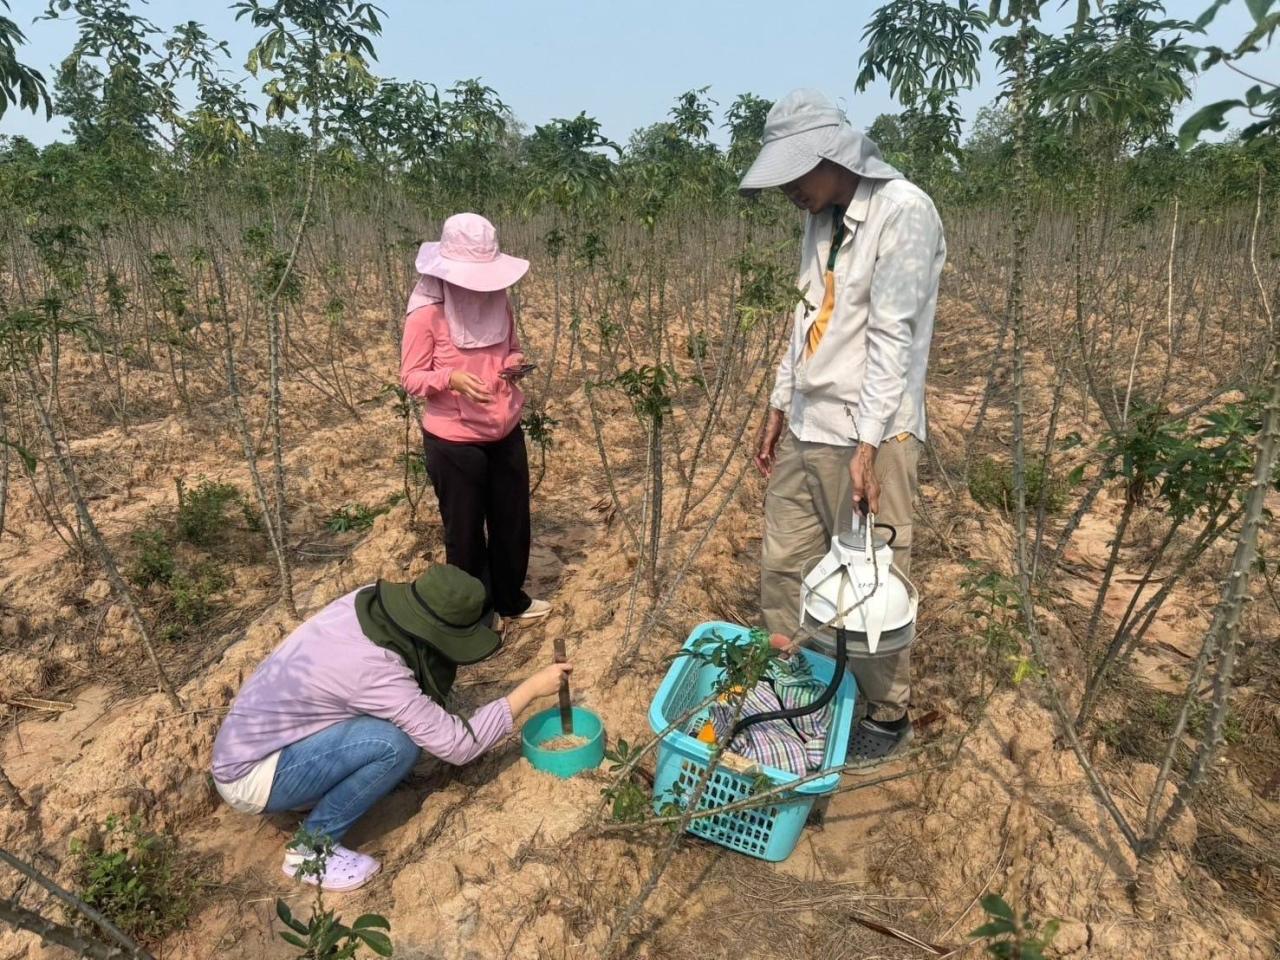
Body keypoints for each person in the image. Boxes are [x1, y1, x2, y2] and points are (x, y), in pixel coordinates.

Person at [740, 89, 946, 767]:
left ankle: (884, 716)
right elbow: (804, 319)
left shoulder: (903, 213)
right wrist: (777, 404)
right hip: (808, 424)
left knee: (868, 583)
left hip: (873, 435)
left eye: (795, 175)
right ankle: (796, 683)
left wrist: (866, 444)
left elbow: (893, 339)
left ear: (832, 155)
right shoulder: (821, 218)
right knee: (786, 564)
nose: (789, 191)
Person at [210, 565, 572, 891]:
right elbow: (459, 746)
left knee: (393, 729)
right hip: (251, 776)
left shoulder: (368, 605)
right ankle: (310, 851)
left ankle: (309, 792)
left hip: (265, 744)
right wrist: (531, 689)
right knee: (394, 744)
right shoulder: (376, 671)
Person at [401, 212, 550, 623]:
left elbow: (511, 346)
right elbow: (412, 377)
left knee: (512, 523)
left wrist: (514, 365)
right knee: (464, 534)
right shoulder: (427, 313)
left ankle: (509, 600)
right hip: (454, 441)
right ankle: (473, 616)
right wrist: (453, 379)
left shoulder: (499, 299)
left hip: (505, 430)